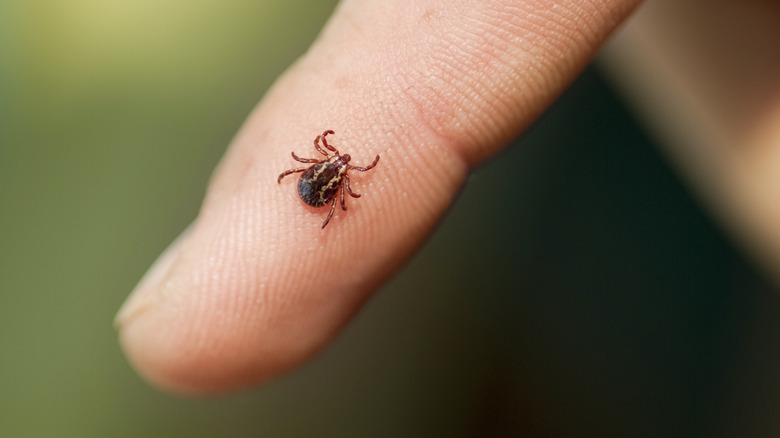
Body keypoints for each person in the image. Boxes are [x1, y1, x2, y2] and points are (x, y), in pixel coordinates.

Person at [115, 0, 645, 394]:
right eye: (337, 162)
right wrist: (327, 197)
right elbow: (321, 181)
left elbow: (310, 172)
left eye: (338, 166)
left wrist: (320, 189)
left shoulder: (327, 171)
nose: (338, 167)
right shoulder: (334, 176)